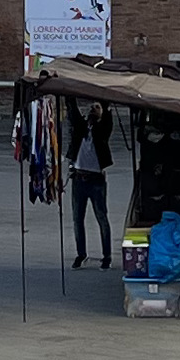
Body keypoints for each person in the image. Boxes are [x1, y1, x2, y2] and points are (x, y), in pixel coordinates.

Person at [67, 98, 111, 271]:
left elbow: (107, 121)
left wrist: (105, 105)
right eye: (91, 107)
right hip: (79, 179)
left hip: (96, 180)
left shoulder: (101, 131)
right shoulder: (81, 129)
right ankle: (81, 254)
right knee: (78, 218)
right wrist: (69, 98)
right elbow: (73, 114)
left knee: (102, 217)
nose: (93, 109)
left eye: (97, 107)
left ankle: (106, 256)